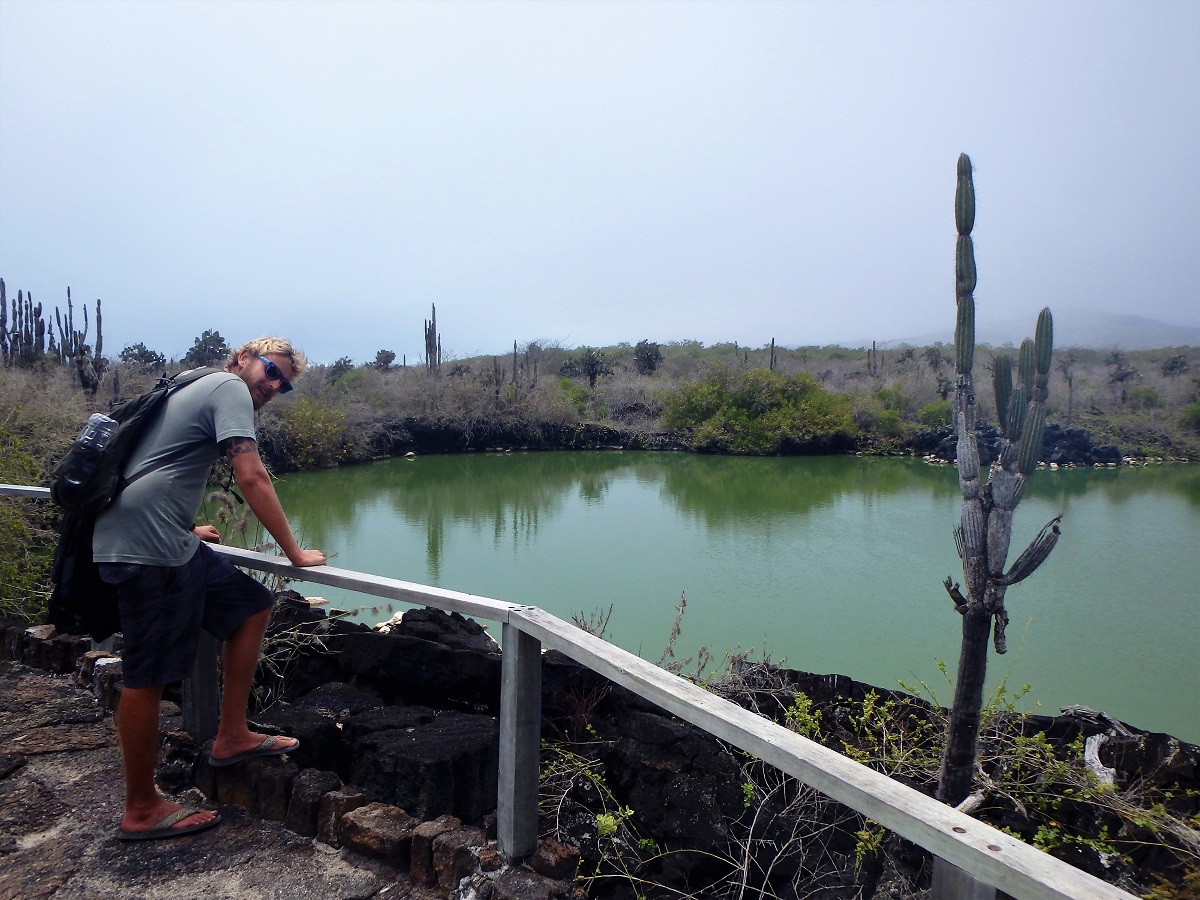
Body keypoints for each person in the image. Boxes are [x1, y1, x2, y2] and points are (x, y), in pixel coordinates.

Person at [93, 337, 327, 840]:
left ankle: (232, 734)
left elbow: (162, 462)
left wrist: (185, 527)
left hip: (163, 538)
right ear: (244, 357)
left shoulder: (192, 384)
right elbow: (251, 476)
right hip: (147, 548)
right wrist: (294, 553)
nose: (274, 386)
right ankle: (140, 807)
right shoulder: (228, 387)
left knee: (250, 605)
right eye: (272, 372)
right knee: (146, 675)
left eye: (283, 384)